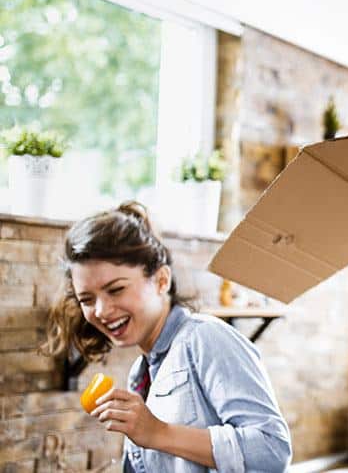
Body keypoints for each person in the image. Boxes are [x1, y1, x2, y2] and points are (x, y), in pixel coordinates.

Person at [40, 202, 292, 472]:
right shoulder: (142, 372)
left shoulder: (206, 338)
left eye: (116, 290)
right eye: (87, 299)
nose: (101, 311)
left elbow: (272, 449)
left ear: (162, 280)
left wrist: (158, 432)